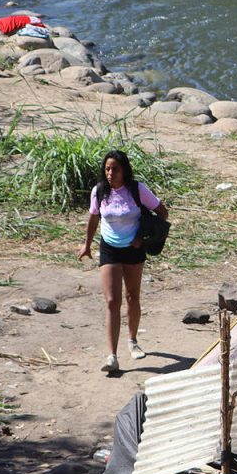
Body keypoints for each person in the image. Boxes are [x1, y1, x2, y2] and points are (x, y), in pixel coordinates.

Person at [79, 150, 170, 374]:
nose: (110, 173)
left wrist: (142, 237)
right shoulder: (99, 191)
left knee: (132, 297)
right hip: (109, 248)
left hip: (133, 249)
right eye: (107, 169)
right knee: (112, 301)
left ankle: (133, 340)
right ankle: (112, 356)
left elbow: (162, 212)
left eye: (115, 169)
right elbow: (93, 217)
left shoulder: (137, 190)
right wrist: (87, 245)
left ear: (124, 170)